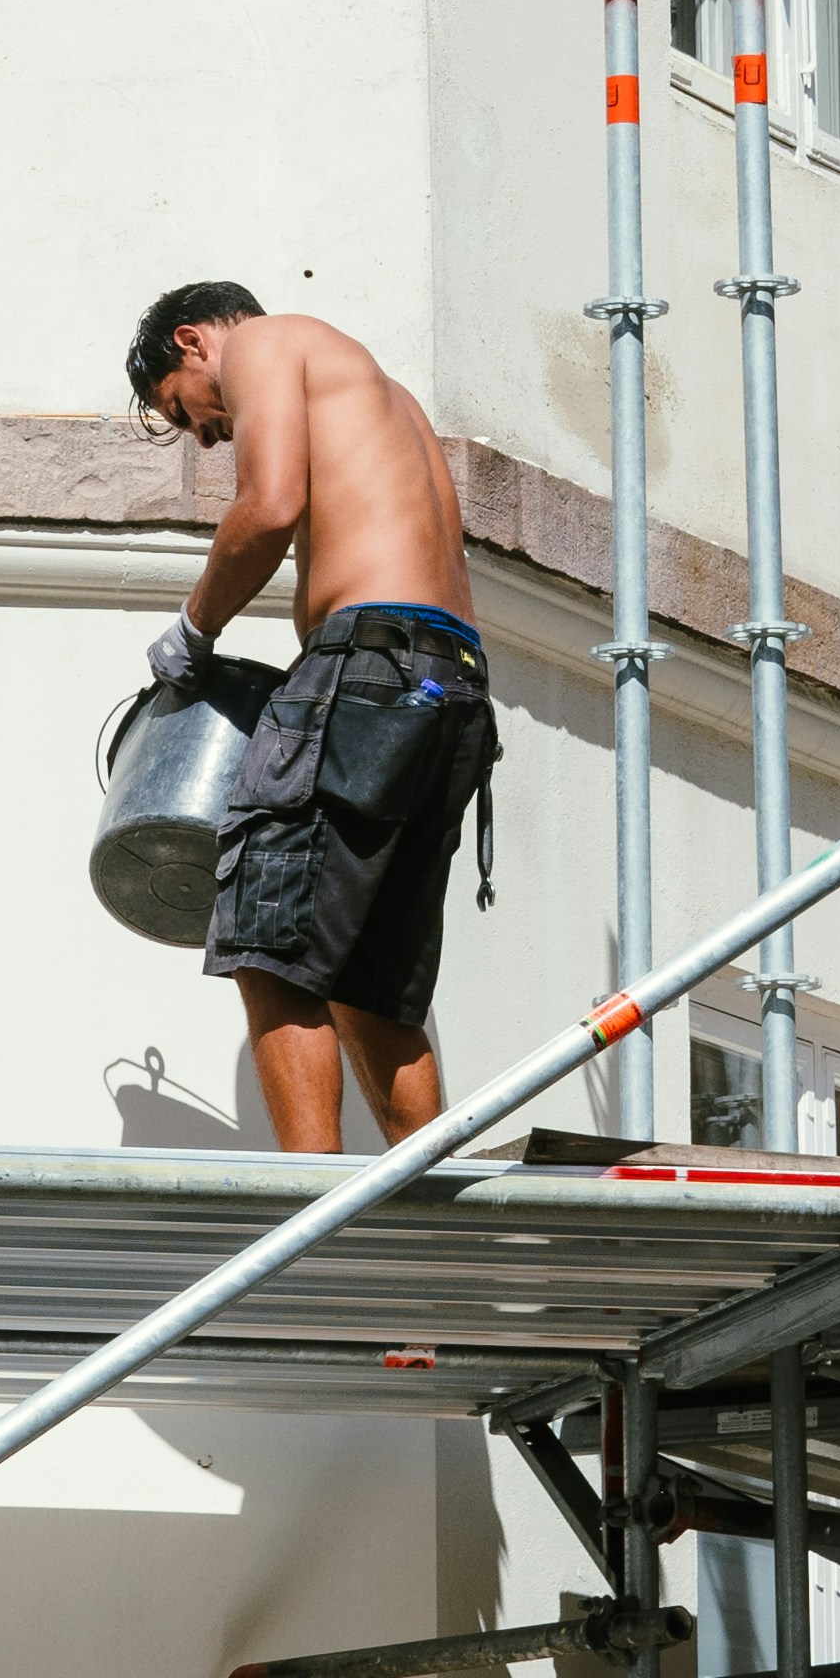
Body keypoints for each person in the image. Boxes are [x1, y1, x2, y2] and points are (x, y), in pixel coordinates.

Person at [124, 280, 500, 1156]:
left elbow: (267, 506)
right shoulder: (383, 396)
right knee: (372, 991)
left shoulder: (263, 342)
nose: (208, 435)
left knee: (264, 933)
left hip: (370, 669)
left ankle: (306, 1212)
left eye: (186, 413)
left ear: (192, 344)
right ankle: (421, 1228)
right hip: (453, 692)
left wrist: (194, 628)